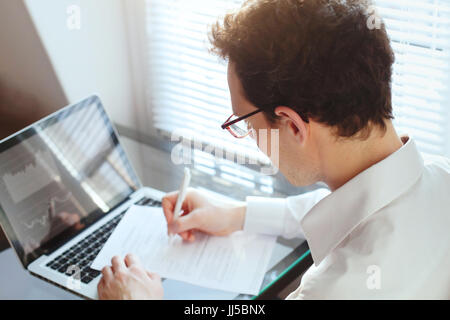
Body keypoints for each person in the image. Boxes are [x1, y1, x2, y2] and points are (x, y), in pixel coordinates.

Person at [97, 0, 450, 300]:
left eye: (246, 124)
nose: (249, 135)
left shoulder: (335, 289)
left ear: (293, 124)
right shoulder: (439, 176)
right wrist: (236, 216)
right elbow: (356, 204)